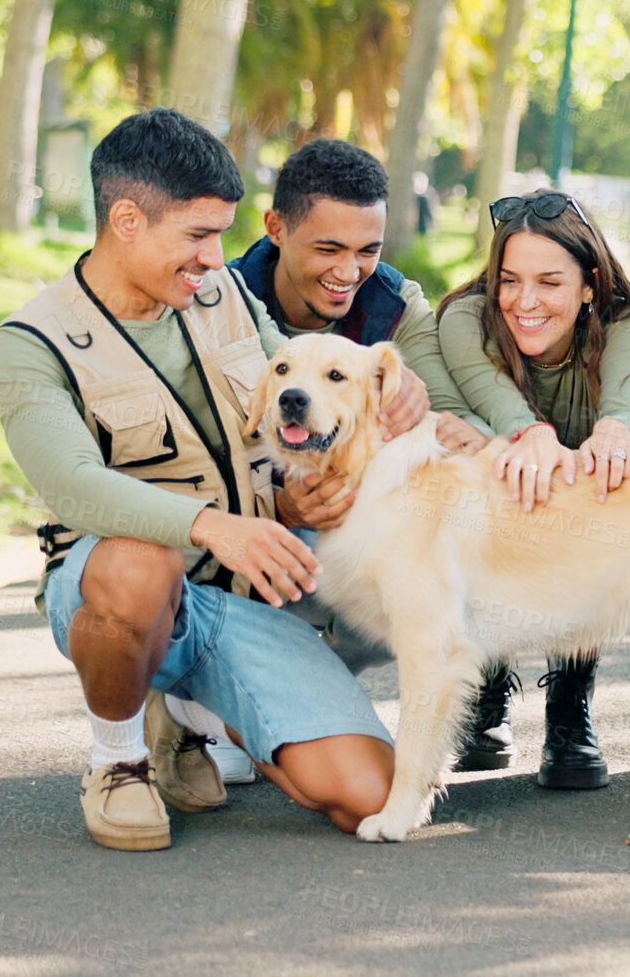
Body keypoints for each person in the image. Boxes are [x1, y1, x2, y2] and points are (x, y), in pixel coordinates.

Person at [0, 108, 393, 851]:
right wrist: (214, 525)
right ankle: (118, 760)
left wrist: (298, 486)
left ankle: (195, 711)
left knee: (369, 795)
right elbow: (72, 485)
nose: (217, 257)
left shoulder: (225, 297)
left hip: (242, 603)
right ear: (128, 219)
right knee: (143, 558)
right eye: (199, 235)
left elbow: (289, 398)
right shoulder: (30, 342)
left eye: (220, 235)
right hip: (124, 595)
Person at [224, 138, 496, 783]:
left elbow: (460, 420)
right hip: (255, 520)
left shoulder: (396, 304)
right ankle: (206, 708)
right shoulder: (221, 301)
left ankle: (338, 686)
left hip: (355, 531)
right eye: (328, 249)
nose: (350, 271)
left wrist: (430, 408)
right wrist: (276, 503)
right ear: (275, 229)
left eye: (367, 250)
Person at [435, 189, 630, 790]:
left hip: (584, 504)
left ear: (589, 284)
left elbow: (629, 408)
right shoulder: (466, 318)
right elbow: (489, 403)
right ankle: (485, 695)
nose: (524, 302)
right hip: (498, 490)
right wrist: (526, 437)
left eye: (549, 283)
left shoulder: (622, 326)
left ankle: (570, 704)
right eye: (509, 280)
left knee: (598, 491)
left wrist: (613, 433)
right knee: (490, 485)